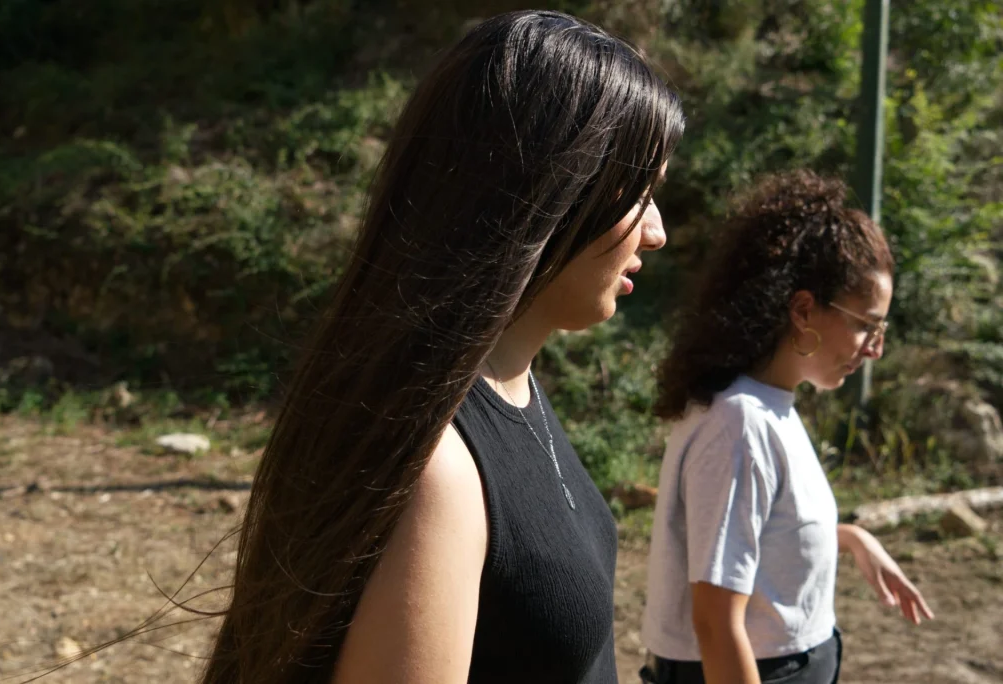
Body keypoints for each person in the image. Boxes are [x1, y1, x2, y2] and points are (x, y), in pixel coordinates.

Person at [200, 11, 685, 684]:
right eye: (640, 193)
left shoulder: (507, 387)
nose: (656, 232)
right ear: (549, 188)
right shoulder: (441, 470)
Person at [639, 171, 933, 684]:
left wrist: (852, 538)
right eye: (867, 323)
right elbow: (715, 623)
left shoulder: (767, 407)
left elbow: (761, 538)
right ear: (802, 310)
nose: (876, 347)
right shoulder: (739, 424)